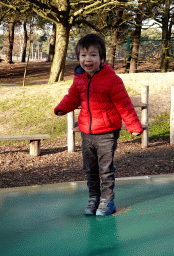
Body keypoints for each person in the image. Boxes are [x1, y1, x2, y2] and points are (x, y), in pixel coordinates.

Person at [54, 34, 143, 216]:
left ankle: (107, 201)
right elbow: (72, 97)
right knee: (89, 168)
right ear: (78, 58)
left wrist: (133, 126)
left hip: (107, 132)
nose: (88, 59)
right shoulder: (79, 79)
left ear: (101, 58)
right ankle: (94, 198)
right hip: (87, 131)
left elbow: (124, 104)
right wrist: (62, 108)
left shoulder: (112, 80)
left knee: (105, 168)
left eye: (93, 55)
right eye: (84, 55)